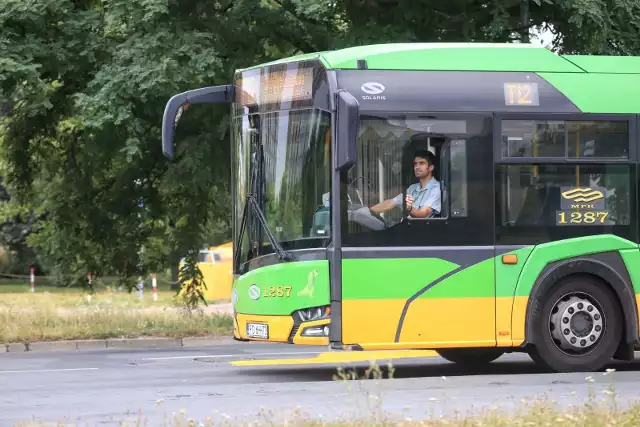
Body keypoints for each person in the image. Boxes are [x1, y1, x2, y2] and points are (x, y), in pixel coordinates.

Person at [369, 149, 441, 218]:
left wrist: (409, 209)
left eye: (421, 163)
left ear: (431, 167)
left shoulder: (437, 188)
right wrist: (369, 211)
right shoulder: (412, 188)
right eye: (415, 164)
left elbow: (423, 214)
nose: (417, 167)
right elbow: (391, 202)